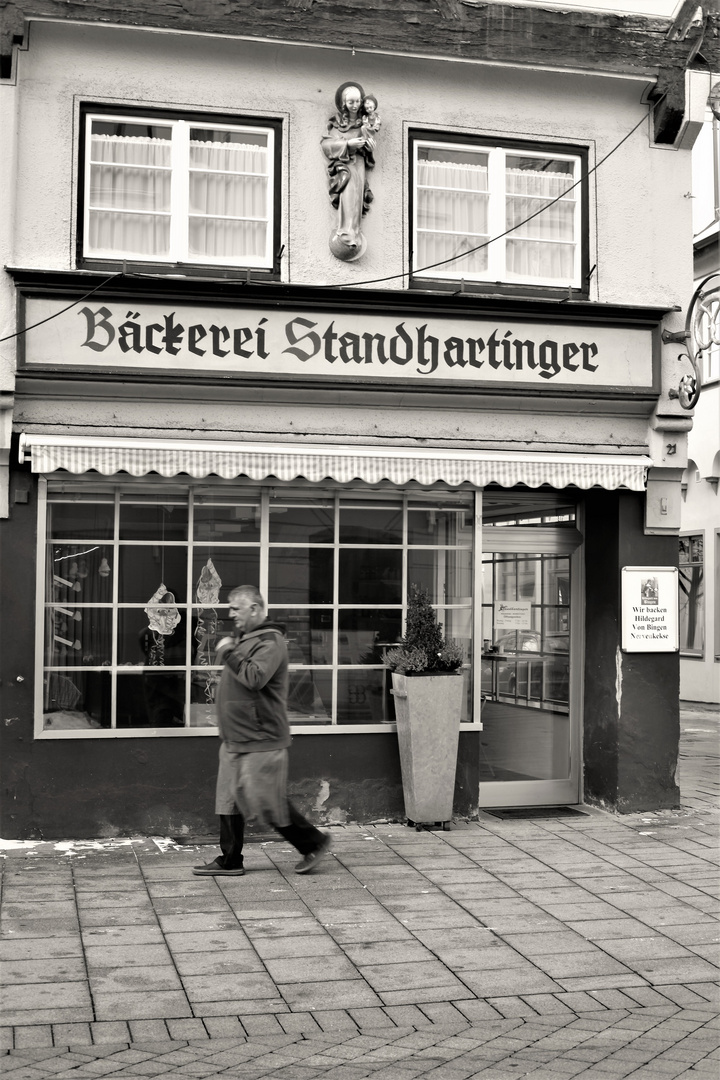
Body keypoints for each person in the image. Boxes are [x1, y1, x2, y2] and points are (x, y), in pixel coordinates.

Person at [193, 585, 332, 877]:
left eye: (236, 609)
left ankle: (313, 843)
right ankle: (230, 859)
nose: (231, 615)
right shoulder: (248, 639)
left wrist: (229, 650)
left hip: (261, 738)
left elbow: (254, 677)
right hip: (235, 737)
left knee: (265, 801)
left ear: (254, 609)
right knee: (227, 798)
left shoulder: (271, 641)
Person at [320, 82, 377, 261]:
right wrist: (347, 144)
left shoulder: (365, 123)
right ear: (344, 103)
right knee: (349, 195)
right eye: (351, 102)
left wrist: (369, 146)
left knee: (357, 198)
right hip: (345, 167)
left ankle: (354, 232)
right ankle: (345, 233)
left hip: (358, 164)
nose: (355, 105)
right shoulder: (337, 124)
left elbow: (369, 144)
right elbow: (326, 145)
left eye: (358, 101)